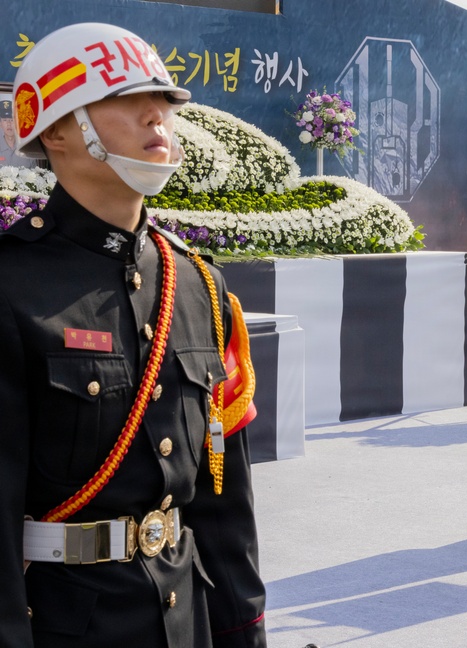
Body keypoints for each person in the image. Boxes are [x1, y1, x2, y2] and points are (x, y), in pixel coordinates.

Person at [0, 23, 266, 646]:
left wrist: (242, 627)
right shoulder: (12, 286)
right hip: (64, 624)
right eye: (125, 98)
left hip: (185, 618)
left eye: (167, 101)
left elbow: (224, 499)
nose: (159, 114)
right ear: (57, 129)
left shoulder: (199, 284)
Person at [0, 97, 36, 168]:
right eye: (4, 120)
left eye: (12, 120)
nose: (9, 123)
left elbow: (36, 176)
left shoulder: (27, 148)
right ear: (0, 124)